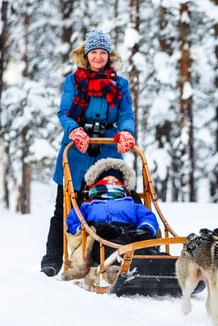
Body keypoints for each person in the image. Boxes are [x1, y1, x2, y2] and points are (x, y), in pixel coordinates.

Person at [40, 29, 136, 277]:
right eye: (93, 52)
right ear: (85, 54)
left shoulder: (120, 84)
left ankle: (115, 254)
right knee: (65, 207)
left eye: (102, 52)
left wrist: (125, 132)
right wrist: (75, 131)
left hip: (107, 149)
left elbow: (126, 114)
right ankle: (53, 260)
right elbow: (65, 113)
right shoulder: (74, 81)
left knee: (113, 202)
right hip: (76, 152)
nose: (98, 57)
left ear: (109, 55)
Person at [61, 158, 159, 281]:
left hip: (130, 235)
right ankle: (124, 270)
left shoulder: (131, 203)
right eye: (107, 180)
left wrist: (144, 229)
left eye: (116, 181)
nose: (111, 183)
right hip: (102, 239)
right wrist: (91, 227)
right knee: (115, 251)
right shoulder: (87, 205)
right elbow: (72, 222)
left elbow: (147, 216)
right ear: (97, 183)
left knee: (146, 250)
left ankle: (168, 266)